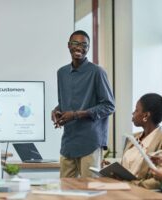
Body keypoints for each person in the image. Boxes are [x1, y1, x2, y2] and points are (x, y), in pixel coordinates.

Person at [51, 30, 115, 178]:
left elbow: (109, 106)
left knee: (89, 190)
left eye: (84, 44)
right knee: (65, 190)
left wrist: (76, 114)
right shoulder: (62, 73)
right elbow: (64, 102)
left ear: (88, 48)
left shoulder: (97, 72)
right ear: (68, 46)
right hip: (68, 141)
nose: (79, 47)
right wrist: (56, 111)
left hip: (90, 142)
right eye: (75, 43)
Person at [120, 93, 162, 189]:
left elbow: (160, 181)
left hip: (140, 193)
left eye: (136, 110)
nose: (133, 113)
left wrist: (131, 185)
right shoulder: (132, 138)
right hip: (121, 189)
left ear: (145, 115)